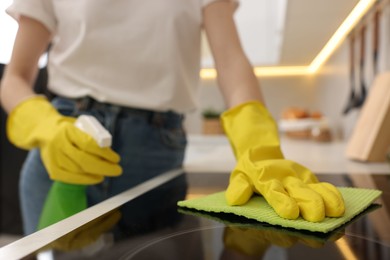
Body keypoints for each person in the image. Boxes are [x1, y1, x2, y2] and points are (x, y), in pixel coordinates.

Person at [0, 0, 345, 237]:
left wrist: (259, 146)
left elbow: (231, 62)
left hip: (155, 154)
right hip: (62, 149)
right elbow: (15, 77)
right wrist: (44, 127)